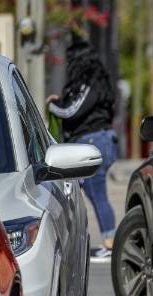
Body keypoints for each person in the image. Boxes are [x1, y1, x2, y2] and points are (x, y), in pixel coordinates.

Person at [47, 34, 118, 260]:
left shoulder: (89, 82)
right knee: (89, 193)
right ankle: (107, 239)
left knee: (96, 193)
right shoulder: (96, 81)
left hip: (92, 141)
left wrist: (53, 105)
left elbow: (71, 111)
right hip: (97, 140)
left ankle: (110, 241)